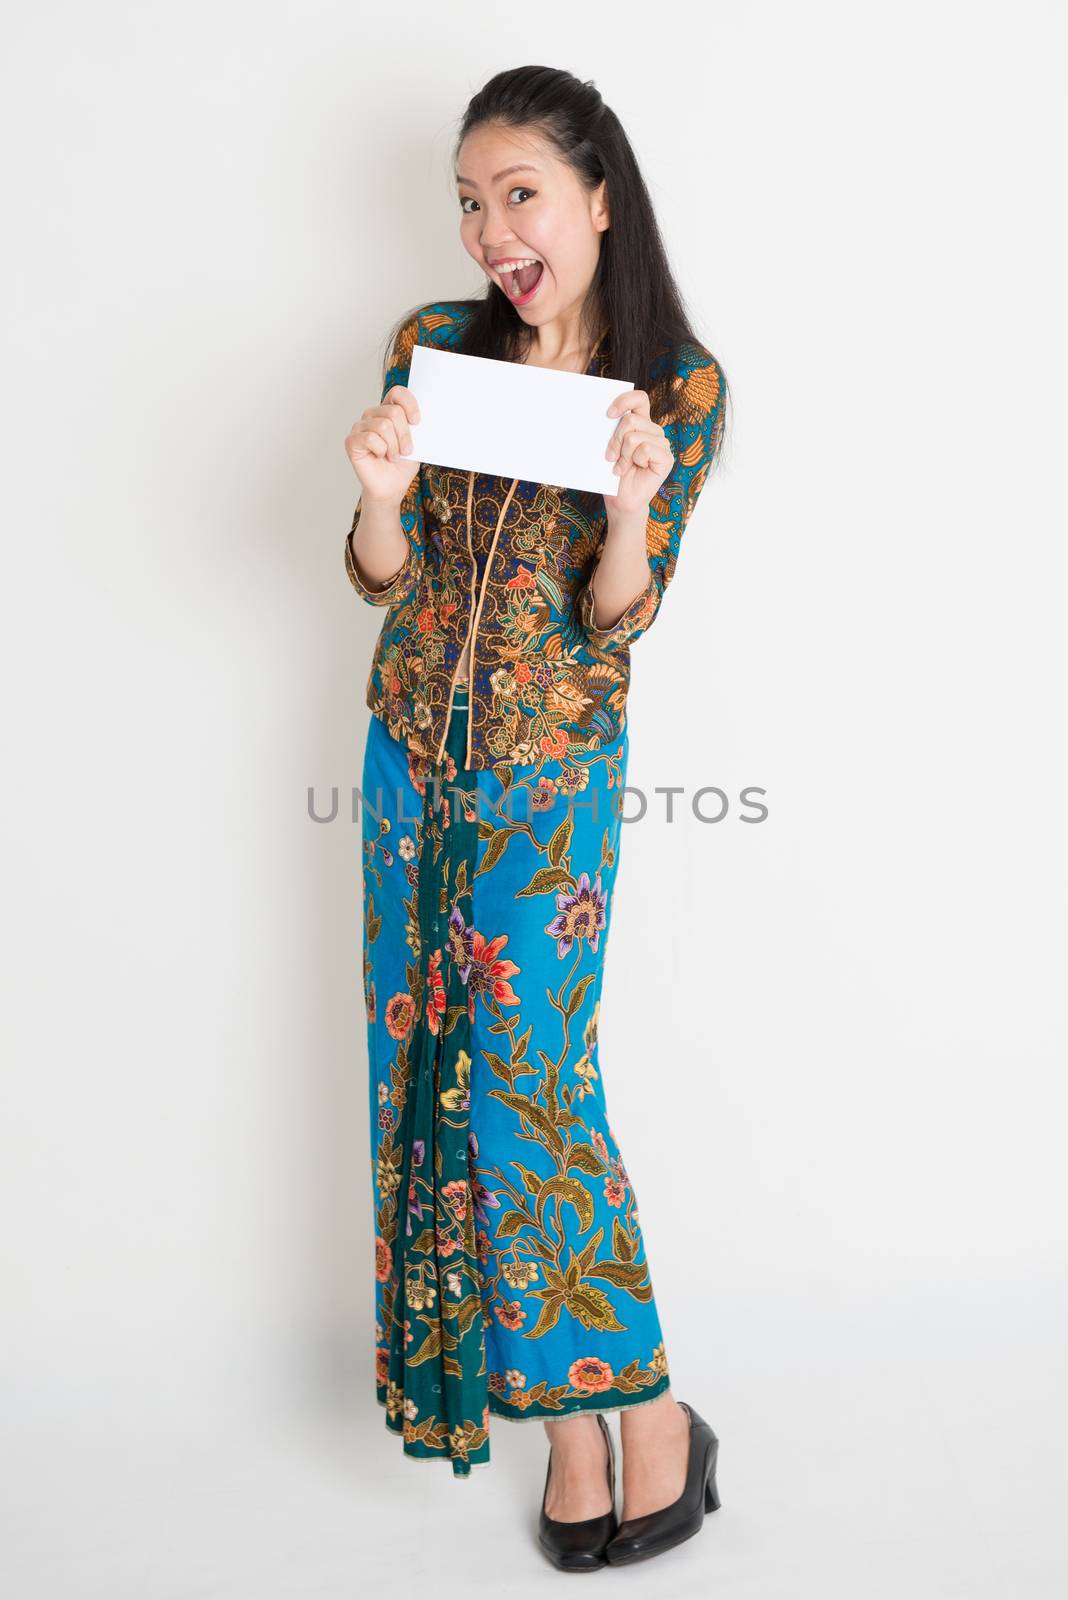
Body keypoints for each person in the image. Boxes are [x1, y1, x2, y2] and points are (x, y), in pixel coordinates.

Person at [342, 65, 729, 1569]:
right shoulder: (435, 349)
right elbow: (384, 578)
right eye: (468, 200)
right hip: (402, 770)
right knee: (428, 1079)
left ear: (596, 201)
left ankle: (649, 1415)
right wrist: (380, 491)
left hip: (546, 787)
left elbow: (618, 621)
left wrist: (632, 506)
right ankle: (573, 1432)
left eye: (518, 194)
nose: (490, 228)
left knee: (529, 1089)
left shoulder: (674, 385)